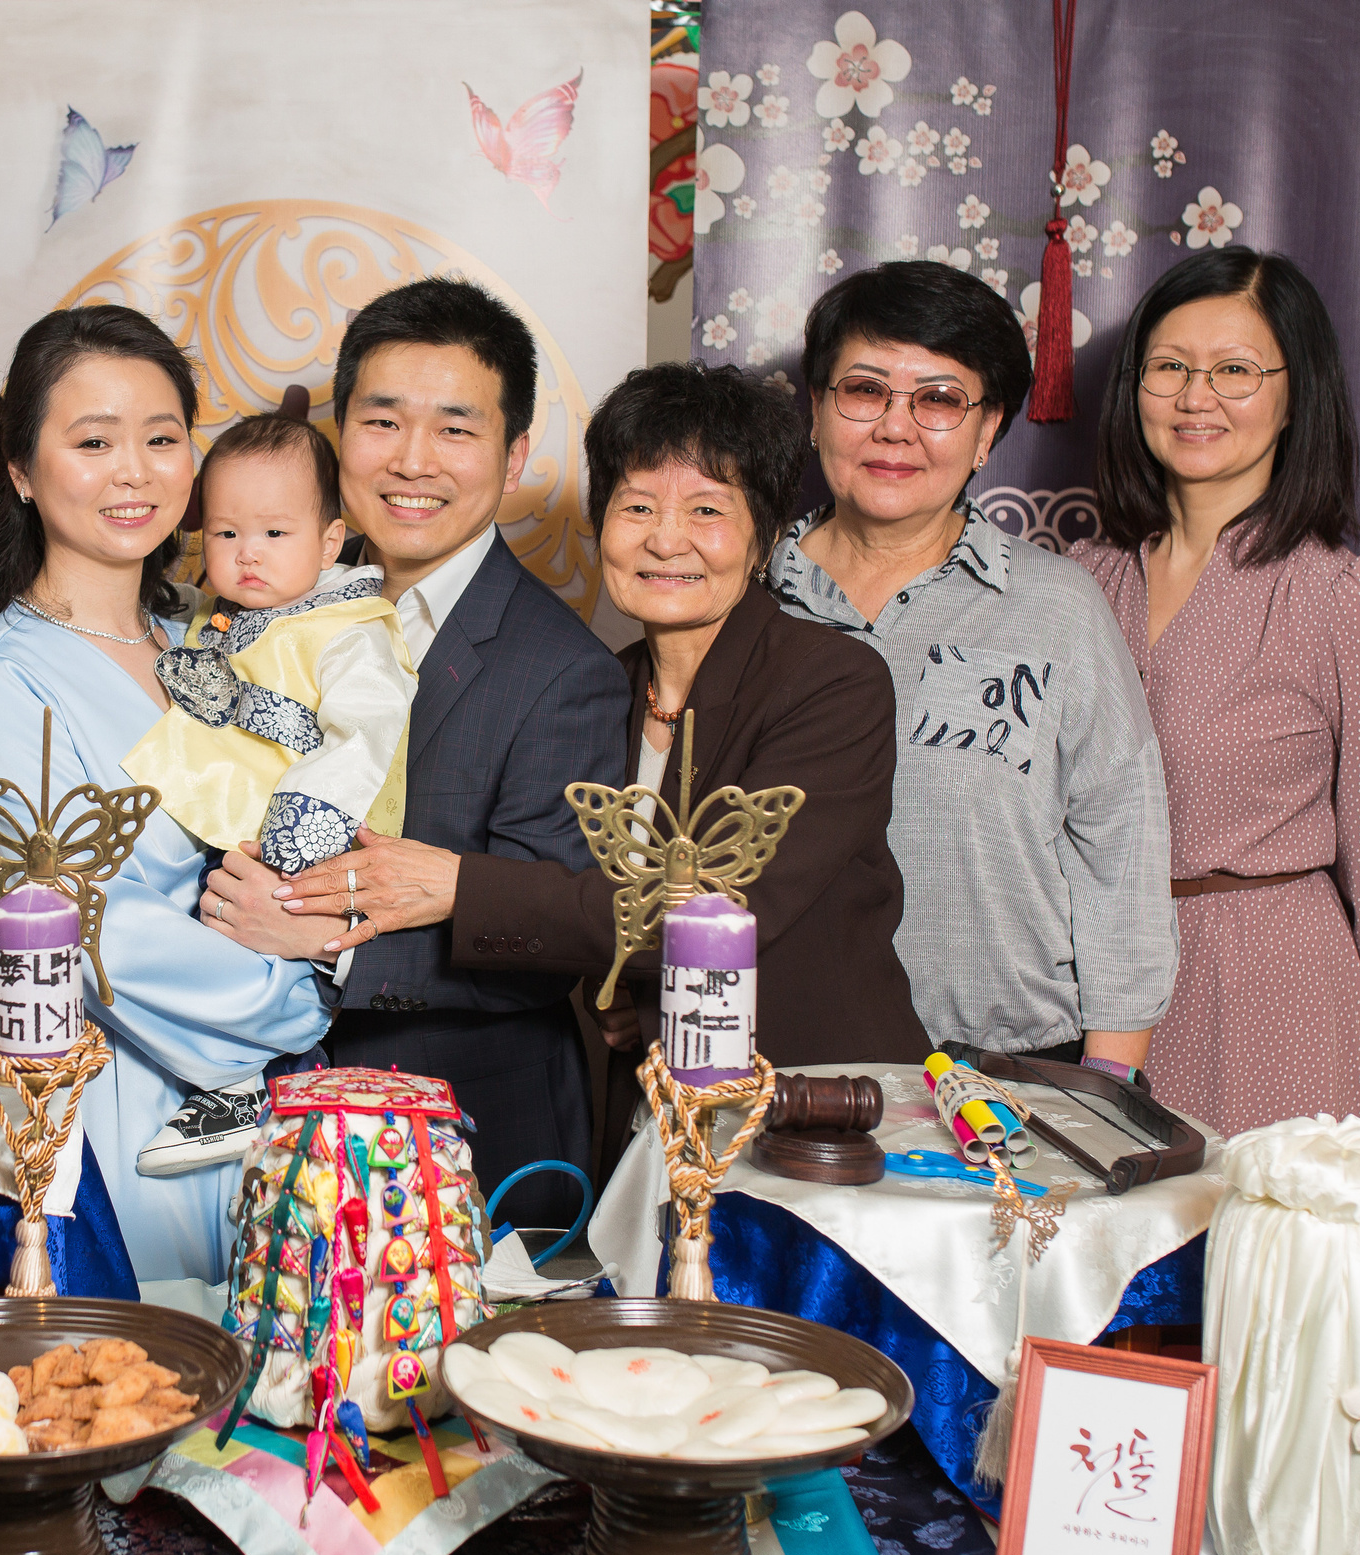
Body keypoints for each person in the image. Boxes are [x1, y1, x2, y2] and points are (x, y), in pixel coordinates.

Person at [272, 362, 930, 1155]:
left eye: (707, 510)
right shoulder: (600, 687)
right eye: (638, 506)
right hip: (647, 1118)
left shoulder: (831, 683)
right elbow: (596, 907)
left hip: (818, 1112)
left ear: (763, 538)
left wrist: (459, 886)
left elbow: (717, 913)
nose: (665, 538)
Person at [204, 277, 631, 1229]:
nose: (412, 461)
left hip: (463, 1132)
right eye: (382, 422)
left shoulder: (565, 671)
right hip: (254, 1116)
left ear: (515, 455)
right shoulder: (254, 607)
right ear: (339, 434)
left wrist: (332, 949)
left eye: (456, 429)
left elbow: (556, 936)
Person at [0, 305, 331, 1283]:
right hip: (126, 1102)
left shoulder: (210, 638)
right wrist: (297, 996)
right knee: (154, 1384)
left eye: (162, 439)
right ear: (22, 472)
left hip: (285, 1109)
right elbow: (88, 931)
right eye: (93, 441)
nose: (134, 470)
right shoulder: (0, 683)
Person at [1073, 248, 1360, 1133]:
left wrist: (1318, 1009)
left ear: (1297, 395)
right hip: (1084, 999)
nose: (1194, 397)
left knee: (1251, 1266)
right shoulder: (1079, 584)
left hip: (1271, 995)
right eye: (1168, 367)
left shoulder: (1342, 596)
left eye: (1235, 371)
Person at [764, 260, 1175, 1077]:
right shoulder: (745, 596)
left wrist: (1108, 1079)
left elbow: (1120, 843)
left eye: (940, 400)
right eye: (864, 390)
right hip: (779, 1065)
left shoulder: (1058, 606)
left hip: (1013, 1067)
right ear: (815, 409)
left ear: (988, 433)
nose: (894, 428)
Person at [121, 412, 416, 1176]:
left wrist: (303, 829)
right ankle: (235, 1081)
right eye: (225, 535)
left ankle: (258, 1086)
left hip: (313, 831)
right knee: (208, 932)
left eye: (276, 536)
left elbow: (365, 733)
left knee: (271, 952)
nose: (248, 555)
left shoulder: (349, 627)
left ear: (328, 542)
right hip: (237, 814)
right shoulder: (229, 617)